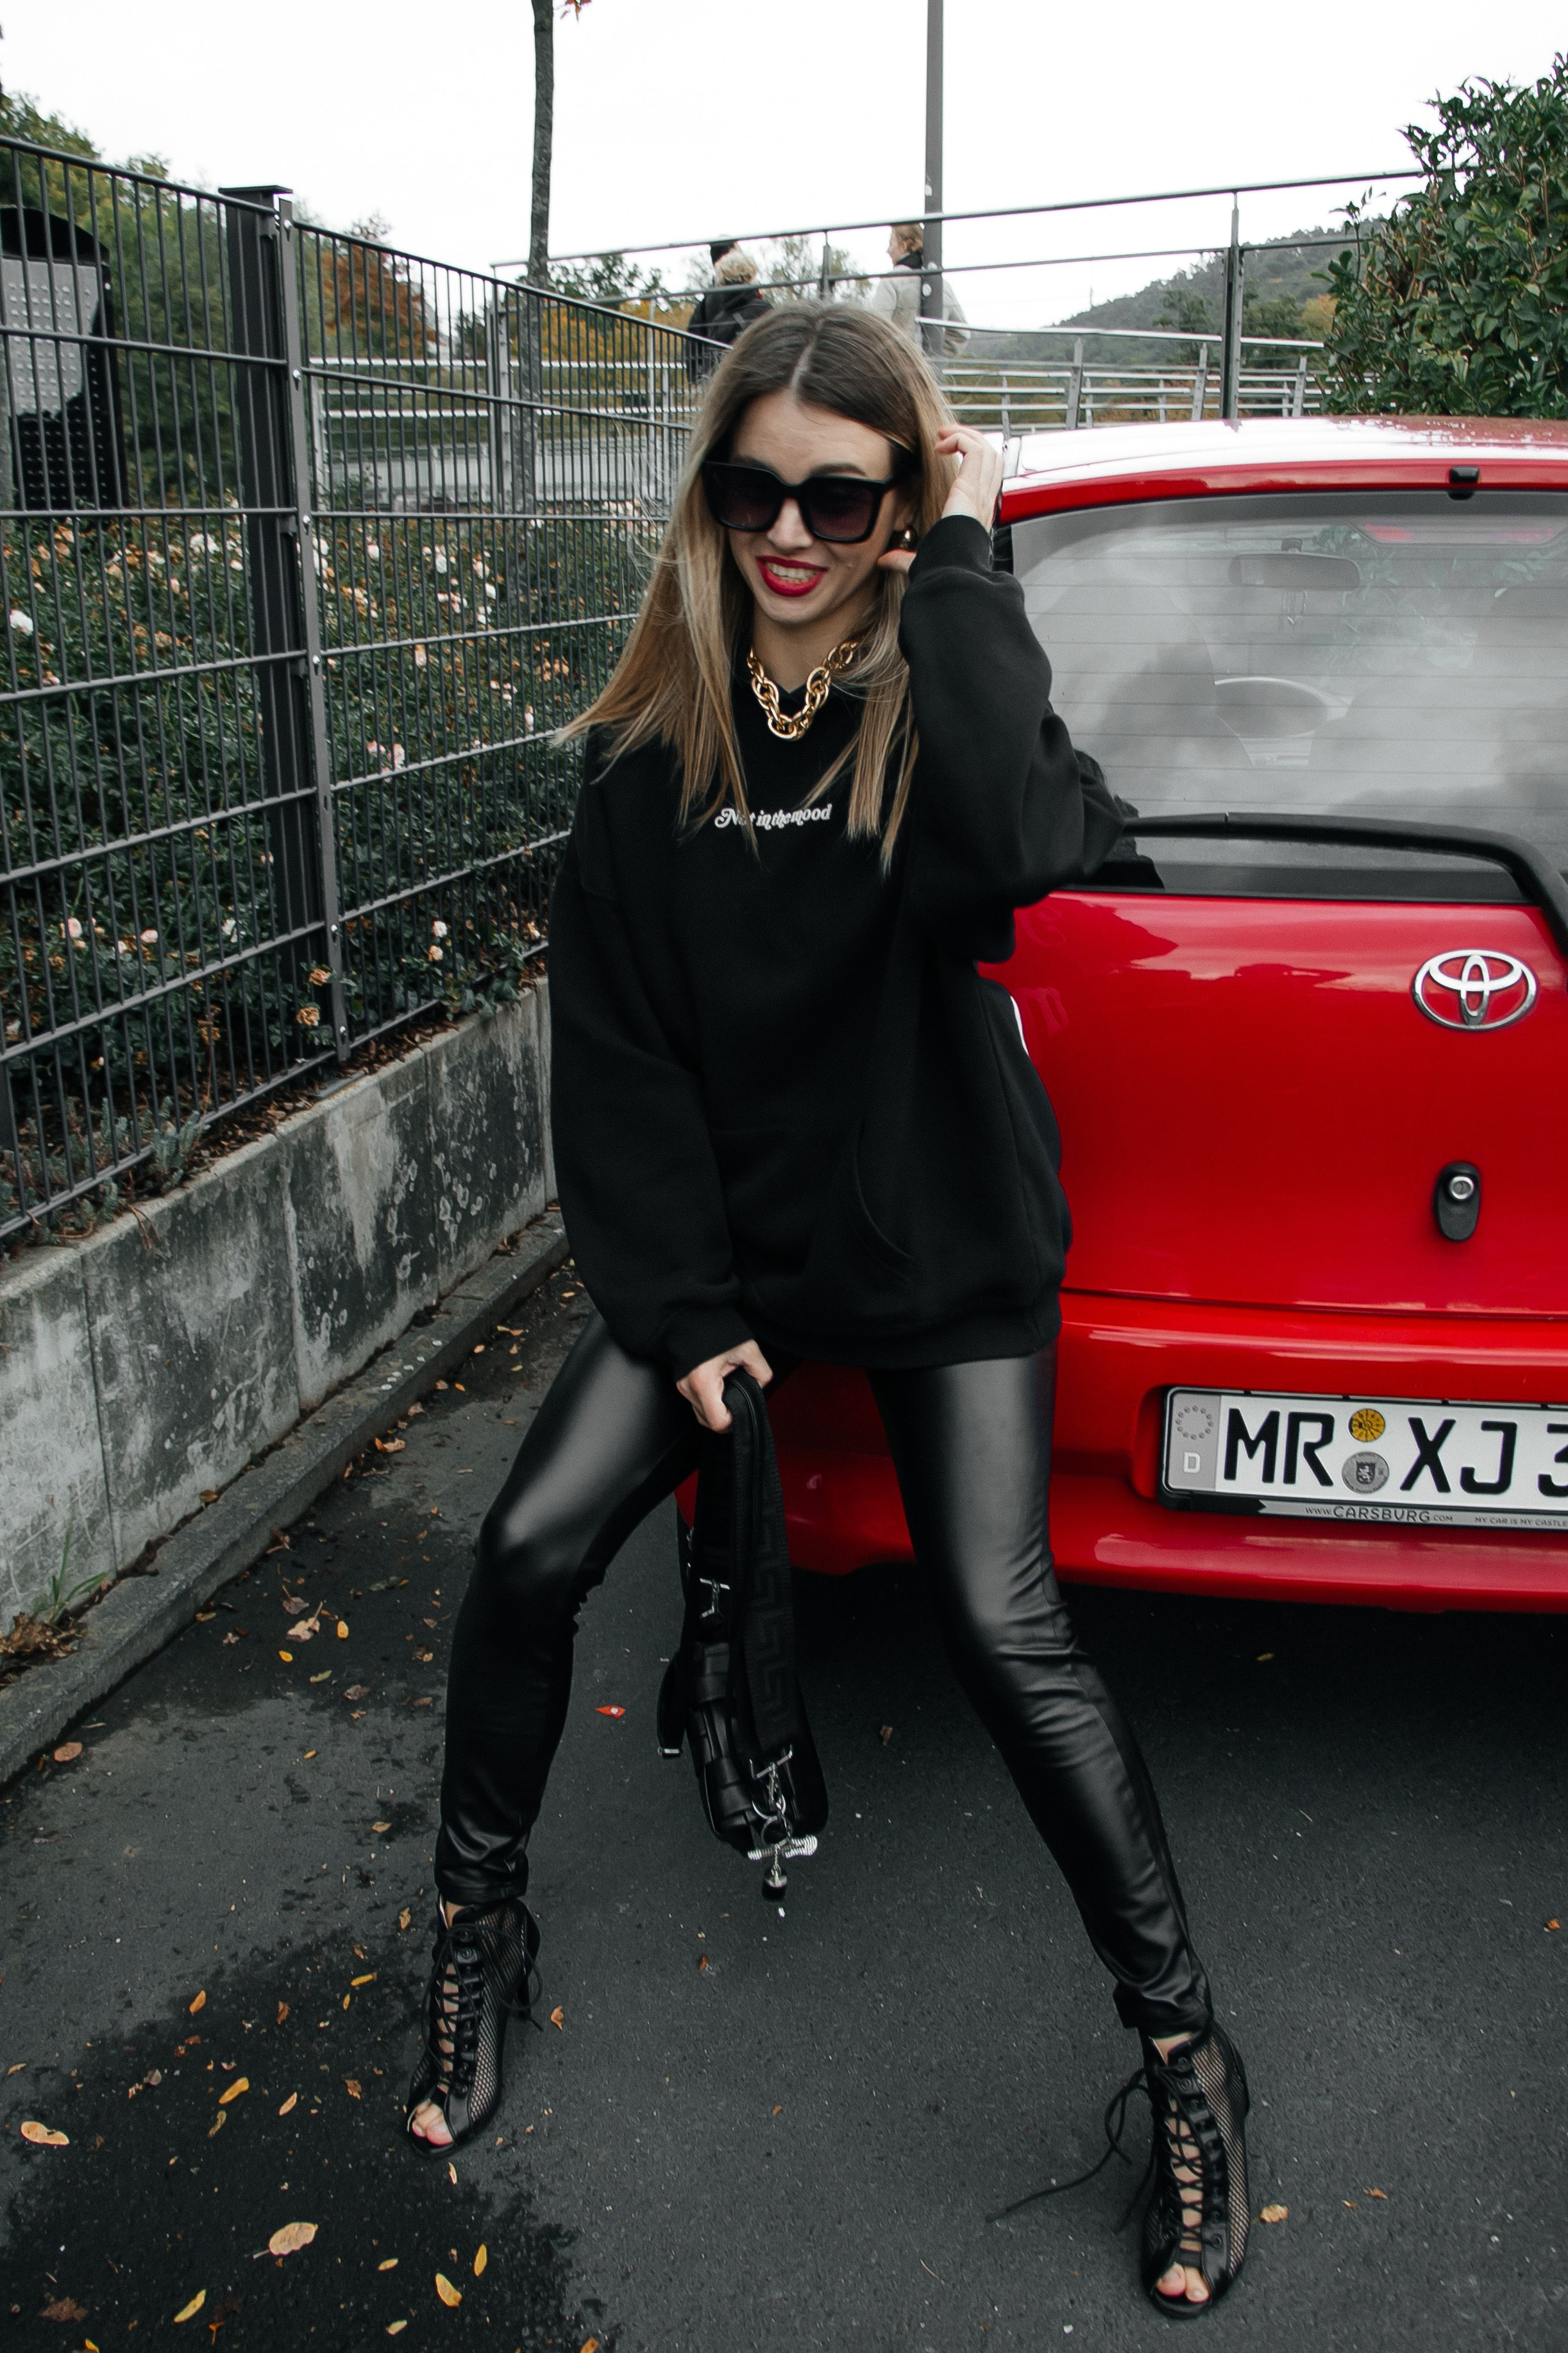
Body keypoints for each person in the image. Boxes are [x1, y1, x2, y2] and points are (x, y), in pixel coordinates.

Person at [404, 303, 1252, 2320]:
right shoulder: (642, 755)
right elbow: (614, 1059)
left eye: (840, 490)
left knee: (996, 1610)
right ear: (710, 494)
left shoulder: (927, 706)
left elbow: (1013, 841)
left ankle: (1182, 2047)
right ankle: (472, 1920)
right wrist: (688, 1312)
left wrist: (955, 557)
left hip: (935, 1215)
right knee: (526, 1545)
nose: (788, 527)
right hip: (726, 1245)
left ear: (897, 500)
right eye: (753, 483)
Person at [870, 220, 970, 357]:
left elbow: (873, 332)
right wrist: (929, 360)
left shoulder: (891, 281)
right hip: (927, 375)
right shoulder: (943, 286)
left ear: (904, 245)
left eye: (891, 244)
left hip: (896, 371)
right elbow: (961, 334)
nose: (888, 251)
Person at [684, 246, 771, 381]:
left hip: (722, 385)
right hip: (756, 382)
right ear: (749, 276)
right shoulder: (763, 310)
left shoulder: (718, 319)